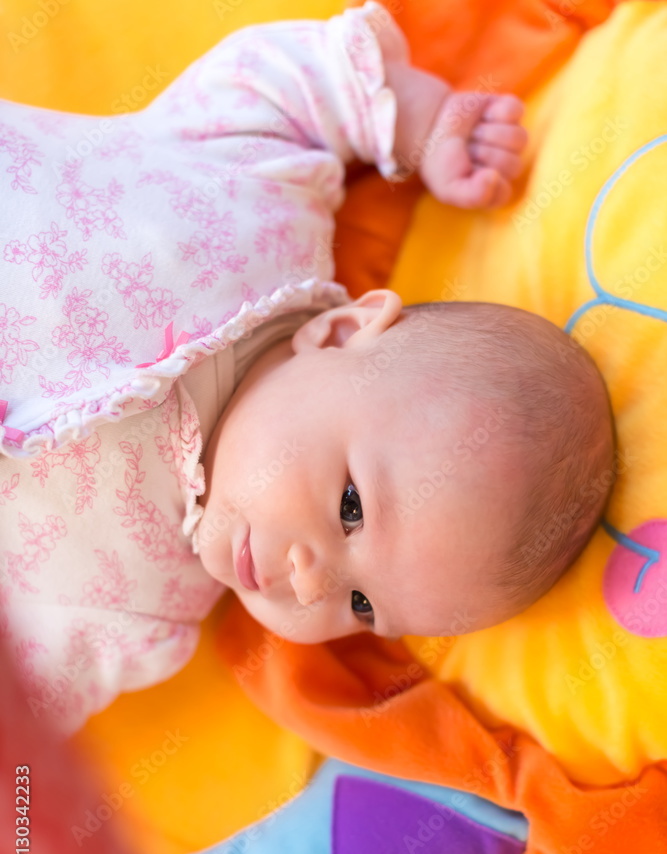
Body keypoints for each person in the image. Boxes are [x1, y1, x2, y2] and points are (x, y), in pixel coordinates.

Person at [0, 1, 614, 732]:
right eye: (350, 506)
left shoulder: (139, 610)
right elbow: (280, 86)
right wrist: (419, 122)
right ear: (342, 332)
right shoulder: (261, 207)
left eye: (361, 606)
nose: (311, 579)